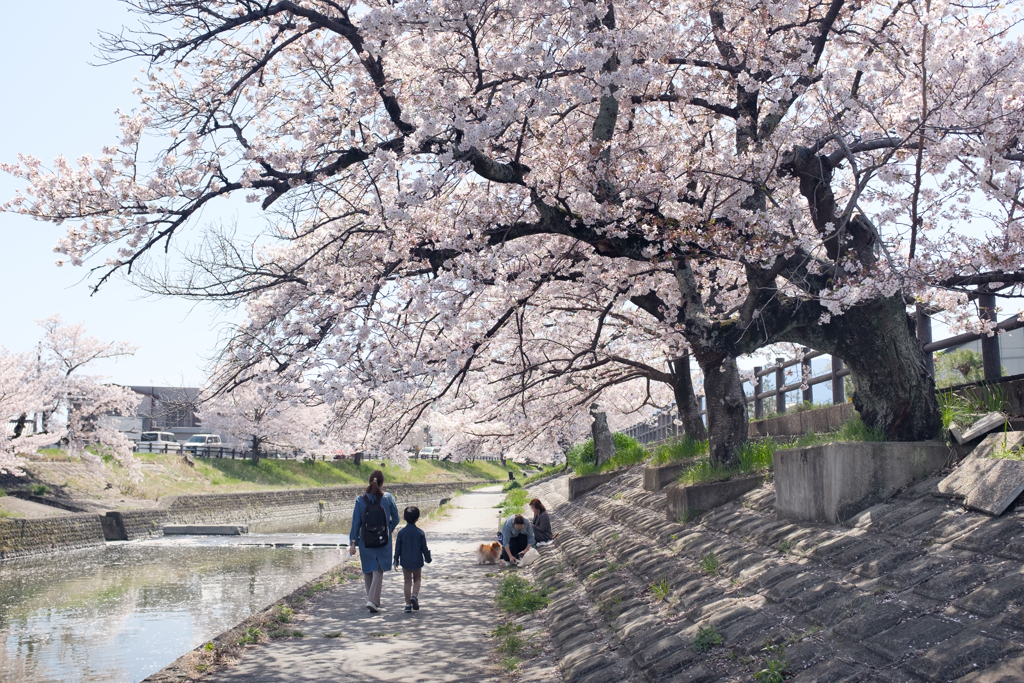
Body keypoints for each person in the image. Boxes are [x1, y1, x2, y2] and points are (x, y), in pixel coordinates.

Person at [349, 470, 400, 612]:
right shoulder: (388, 498)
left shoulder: (360, 499)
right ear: (382, 483)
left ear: (369, 481)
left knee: (368, 570)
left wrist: (353, 541)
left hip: (365, 539)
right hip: (383, 539)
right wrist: (388, 528)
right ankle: (372, 600)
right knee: (378, 569)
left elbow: (356, 523)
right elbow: (396, 518)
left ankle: (372, 600)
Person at [393, 506, 432, 613]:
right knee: (417, 579)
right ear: (417, 518)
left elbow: (397, 548)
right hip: (417, 561)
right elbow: (424, 548)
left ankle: (407, 604)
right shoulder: (420, 533)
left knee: (407, 581)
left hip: (405, 561)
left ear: (404, 518)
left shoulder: (401, 533)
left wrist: (396, 560)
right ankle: (414, 595)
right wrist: (428, 558)